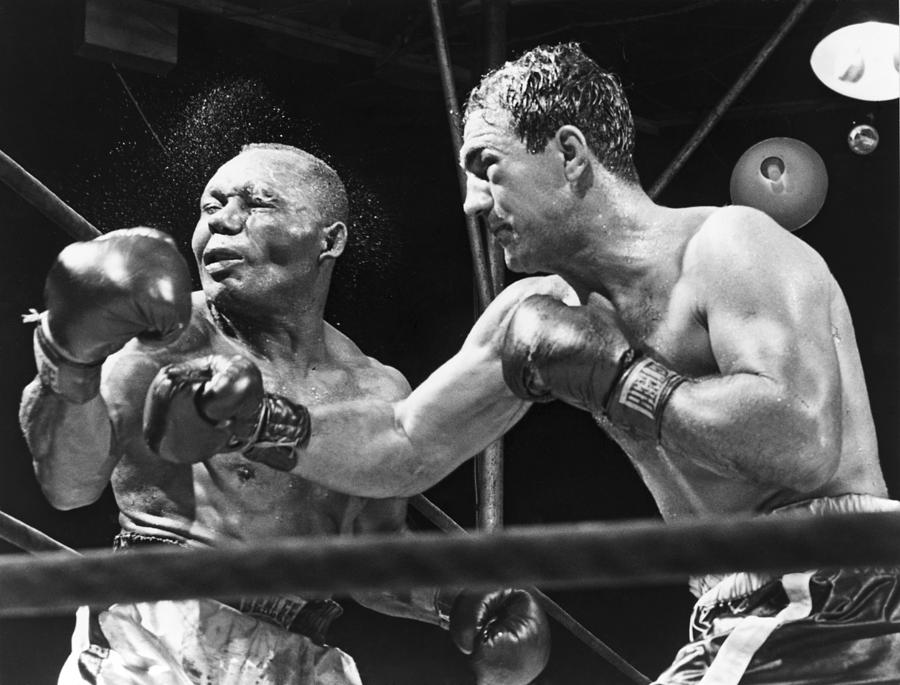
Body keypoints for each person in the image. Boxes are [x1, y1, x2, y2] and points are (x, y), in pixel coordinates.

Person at [192, 46, 897, 683]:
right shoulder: (533, 311)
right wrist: (258, 419)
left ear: (568, 152)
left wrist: (621, 378)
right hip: (729, 609)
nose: (472, 201)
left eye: (486, 168)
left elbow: (801, 444)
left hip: (840, 589)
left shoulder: (731, 245)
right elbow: (402, 446)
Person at [18, 143, 551, 685]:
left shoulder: (375, 389)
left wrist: (451, 597)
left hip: (298, 653)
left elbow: (369, 555)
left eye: (257, 203)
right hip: (156, 630)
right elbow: (69, 487)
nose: (223, 222)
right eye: (210, 206)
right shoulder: (169, 339)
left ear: (330, 240)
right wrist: (66, 361)